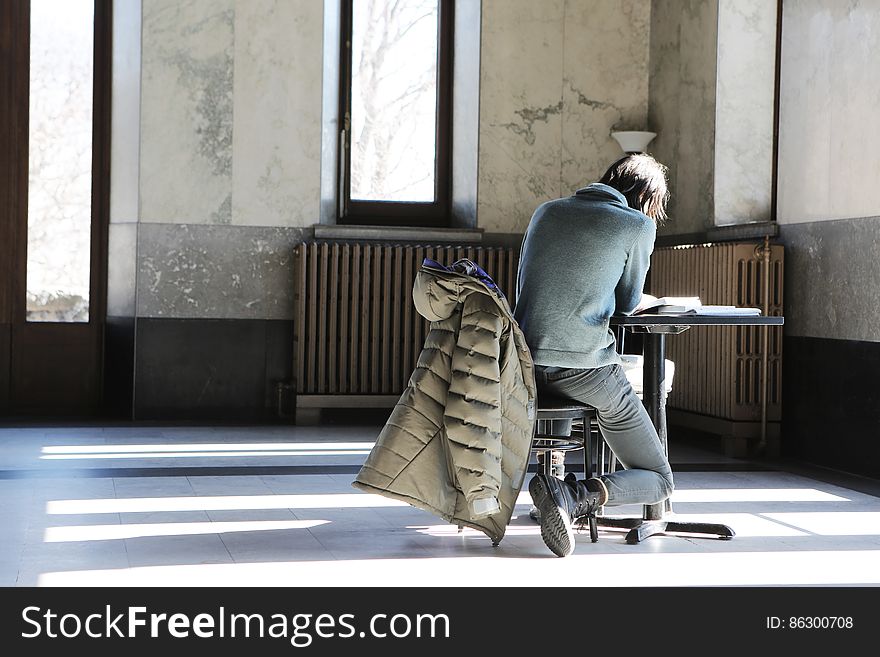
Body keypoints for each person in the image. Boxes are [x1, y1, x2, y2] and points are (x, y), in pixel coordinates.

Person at [513, 153, 674, 557]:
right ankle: (573, 495)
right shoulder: (637, 225)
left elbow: (530, 289)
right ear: (644, 197)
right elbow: (627, 304)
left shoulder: (545, 212)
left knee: (564, 368)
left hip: (522, 364)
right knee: (659, 478)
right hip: (584, 370)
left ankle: (552, 483)